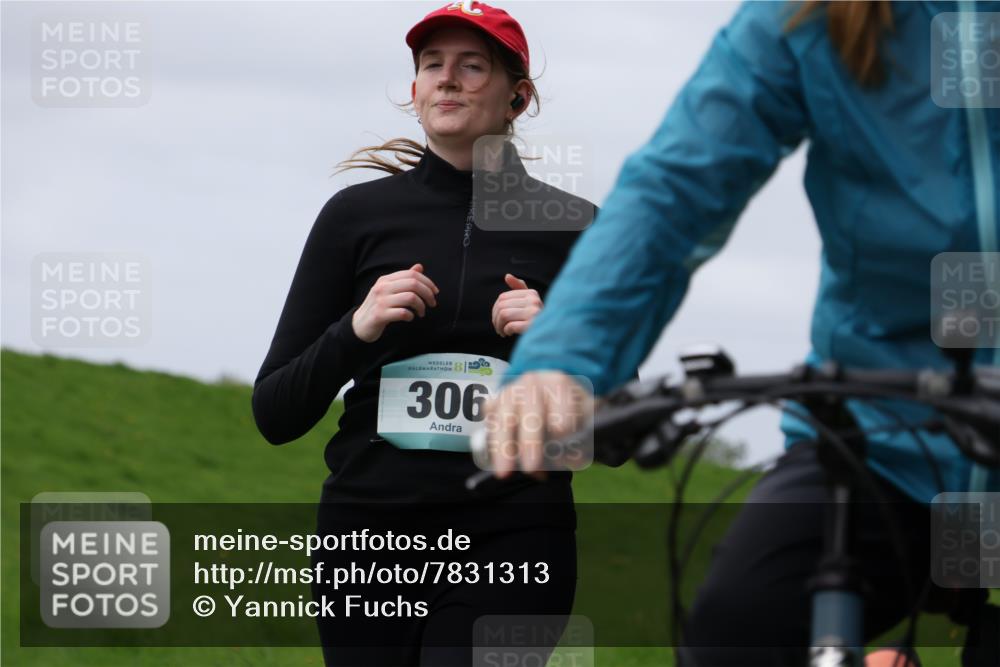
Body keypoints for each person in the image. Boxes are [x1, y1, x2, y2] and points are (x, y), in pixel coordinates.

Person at [480, 1, 999, 666]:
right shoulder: (814, 13)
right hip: (886, 436)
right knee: (737, 626)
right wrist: (562, 356)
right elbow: (675, 189)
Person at [251, 2, 596, 665]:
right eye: (432, 65)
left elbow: (616, 434)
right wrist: (356, 329)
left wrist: (555, 344)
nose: (448, 79)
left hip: (515, 533)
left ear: (516, 97)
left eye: (472, 66)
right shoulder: (355, 218)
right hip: (369, 533)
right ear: (414, 92)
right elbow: (275, 412)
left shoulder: (578, 230)